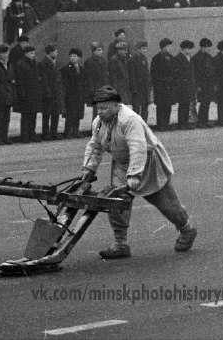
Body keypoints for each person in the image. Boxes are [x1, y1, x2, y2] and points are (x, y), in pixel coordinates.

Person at [81, 85, 197, 259]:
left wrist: (134, 174)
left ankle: (187, 230)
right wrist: (88, 168)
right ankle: (121, 244)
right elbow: (95, 146)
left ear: (116, 106)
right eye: (98, 108)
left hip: (147, 163)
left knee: (165, 203)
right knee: (116, 201)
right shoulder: (99, 123)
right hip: (121, 164)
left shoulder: (129, 120)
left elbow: (138, 147)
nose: (100, 112)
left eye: (104, 108)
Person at [14, 46, 42, 143]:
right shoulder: (21, 64)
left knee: (33, 116)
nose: (33, 55)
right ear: (25, 54)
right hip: (26, 94)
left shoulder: (34, 63)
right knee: (26, 116)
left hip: (34, 94)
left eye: (33, 53)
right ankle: (25, 136)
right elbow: (20, 81)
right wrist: (23, 94)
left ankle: (32, 134)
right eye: (30, 53)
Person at [39, 44, 64, 140]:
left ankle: (54, 132)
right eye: (55, 51)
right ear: (50, 52)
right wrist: (47, 91)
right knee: (47, 113)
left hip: (56, 91)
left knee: (56, 113)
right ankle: (46, 133)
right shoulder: (43, 63)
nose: (57, 53)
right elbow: (44, 79)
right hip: (49, 91)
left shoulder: (56, 62)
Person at [150, 38, 176, 131]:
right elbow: (154, 74)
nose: (170, 48)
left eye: (170, 46)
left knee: (168, 106)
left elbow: (174, 72)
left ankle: (166, 123)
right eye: (168, 46)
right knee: (161, 106)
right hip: (161, 86)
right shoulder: (156, 58)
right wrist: (157, 86)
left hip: (169, 86)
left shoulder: (171, 58)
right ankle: (161, 124)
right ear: (163, 47)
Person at [60, 48, 86, 138]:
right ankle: (67, 132)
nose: (72, 58)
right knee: (70, 114)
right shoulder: (66, 68)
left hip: (79, 94)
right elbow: (64, 82)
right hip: (70, 94)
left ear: (79, 57)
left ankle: (75, 131)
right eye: (71, 56)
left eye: (74, 56)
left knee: (78, 114)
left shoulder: (82, 68)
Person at [173, 40, 197, 129]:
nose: (190, 51)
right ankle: (181, 123)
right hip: (182, 86)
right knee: (182, 105)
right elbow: (177, 74)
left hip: (189, 86)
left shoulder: (189, 58)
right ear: (184, 49)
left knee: (187, 105)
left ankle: (185, 122)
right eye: (189, 49)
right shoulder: (177, 58)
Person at [192, 38, 216, 128]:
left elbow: (213, 70)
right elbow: (196, 73)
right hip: (202, 85)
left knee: (207, 103)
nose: (209, 49)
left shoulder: (209, 57)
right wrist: (197, 85)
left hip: (209, 84)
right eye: (208, 47)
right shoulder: (196, 58)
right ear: (203, 47)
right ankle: (201, 121)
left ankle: (205, 120)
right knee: (203, 103)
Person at [83, 42, 109, 122]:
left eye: (101, 50)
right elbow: (88, 78)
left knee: (104, 111)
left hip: (103, 89)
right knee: (96, 111)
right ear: (93, 51)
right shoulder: (89, 62)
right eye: (98, 50)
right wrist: (92, 90)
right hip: (95, 90)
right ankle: (95, 129)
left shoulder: (104, 61)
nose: (101, 52)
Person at [129, 41, 151, 122]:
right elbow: (132, 75)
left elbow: (147, 73)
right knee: (137, 108)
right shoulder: (133, 59)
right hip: (137, 88)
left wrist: (149, 85)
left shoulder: (144, 58)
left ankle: (143, 123)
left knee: (145, 107)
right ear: (137, 49)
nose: (144, 50)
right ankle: (135, 125)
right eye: (143, 49)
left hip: (145, 87)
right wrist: (134, 88)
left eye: (145, 49)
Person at [107, 41, 132, 107]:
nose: (126, 52)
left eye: (126, 50)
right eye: (124, 50)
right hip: (119, 88)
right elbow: (113, 77)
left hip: (125, 88)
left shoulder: (125, 59)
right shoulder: (113, 60)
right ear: (119, 50)